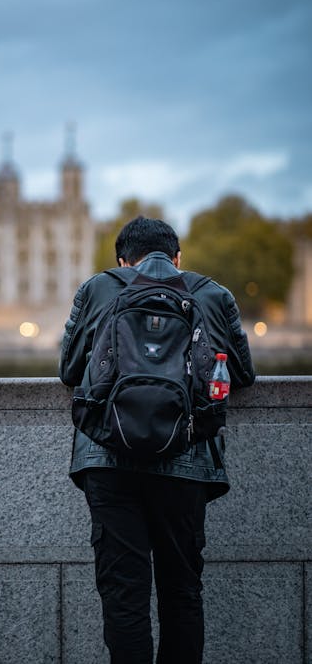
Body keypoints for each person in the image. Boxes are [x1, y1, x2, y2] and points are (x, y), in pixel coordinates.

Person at [59, 216, 255, 664]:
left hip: (107, 457)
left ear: (122, 261)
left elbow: (69, 371)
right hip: (186, 459)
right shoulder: (212, 292)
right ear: (177, 258)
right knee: (182, 592)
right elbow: (243, 374)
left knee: (124, 596)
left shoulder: (98, 287)